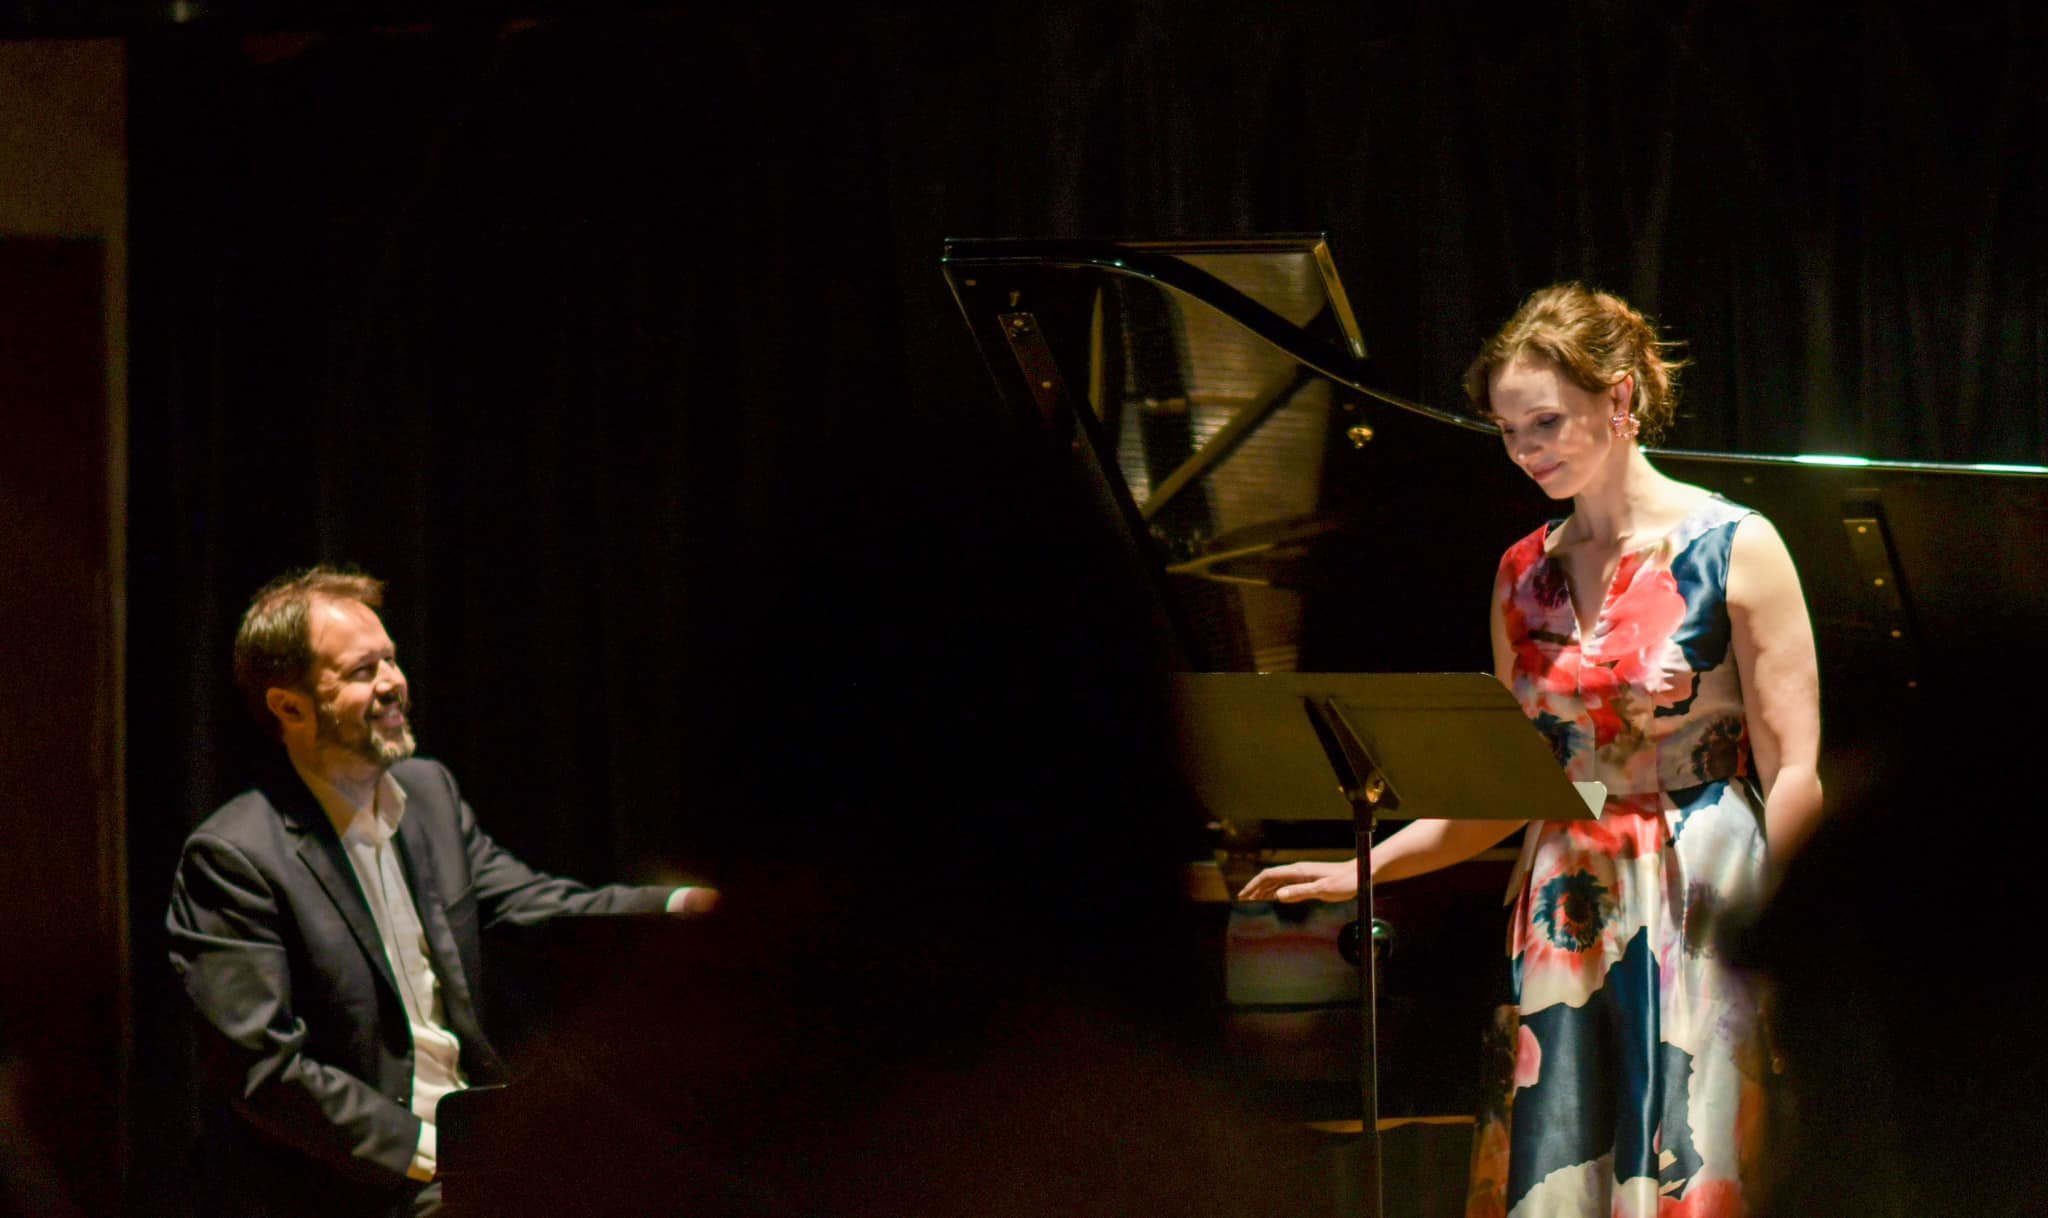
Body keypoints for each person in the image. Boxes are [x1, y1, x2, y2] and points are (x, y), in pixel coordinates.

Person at [1239, 283, 1823, 1217]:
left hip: (1702, 889)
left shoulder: (1736, 546)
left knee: (1698, 1151)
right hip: (1566, 898)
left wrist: (1793, 926)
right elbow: (1518, 784)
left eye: (1546, 422)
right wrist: (1362, 869)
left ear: (1621, 399)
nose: (1526, 451)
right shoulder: (1523, 572)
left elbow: (1795, 766)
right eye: (1510, 432)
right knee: (1563, 1172)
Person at [165, 566, 717, 1218]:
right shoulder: (234, 856)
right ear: (290, 706)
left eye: (391, 660)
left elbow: (537, 909)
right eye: (363, 671)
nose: (394, 683)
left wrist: (683, 908)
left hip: (469, 1137)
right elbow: (265, 1073)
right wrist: (437, 1153)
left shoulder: (427, 794)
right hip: (356, 1181)